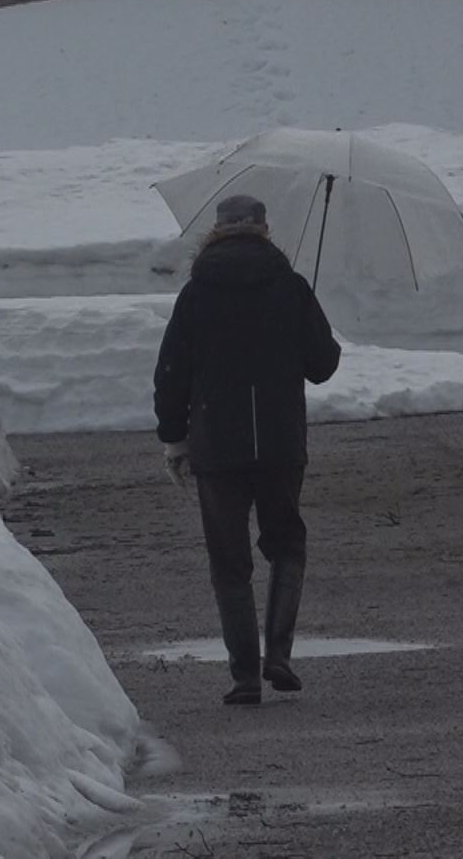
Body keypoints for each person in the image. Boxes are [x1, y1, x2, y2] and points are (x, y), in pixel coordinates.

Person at [153, 194, 342, 706]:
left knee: (228, 562)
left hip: (217, 448)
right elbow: (323, 365)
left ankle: (244, 677)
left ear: (216, 232)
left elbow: (170, 374)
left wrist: (174, 438)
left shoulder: (196, 295)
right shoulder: (291, 286)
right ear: (264, 228)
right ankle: (278, 655)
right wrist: (311, 322)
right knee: (287, 545)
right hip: (280, 442)